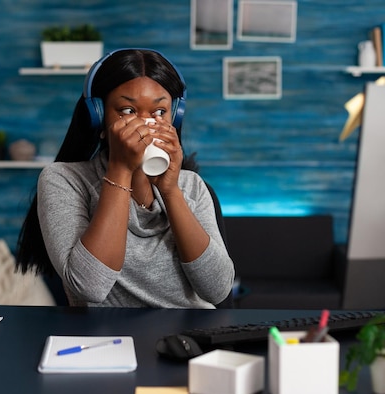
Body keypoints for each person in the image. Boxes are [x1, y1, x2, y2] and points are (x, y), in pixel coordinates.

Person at [16, 48, 235, 308]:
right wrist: (120, 169)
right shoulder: (63, 180)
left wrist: (170, 191)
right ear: (99, 118)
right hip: (106, 340)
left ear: (174, 118)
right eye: (128, 110)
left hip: (186, 339)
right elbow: (90, 287)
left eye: (159, 112)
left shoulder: (191, 186)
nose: (144, 124)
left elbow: (218, 290)